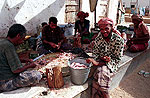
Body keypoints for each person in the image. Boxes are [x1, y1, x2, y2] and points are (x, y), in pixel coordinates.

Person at [86, 18, 124, 98]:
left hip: (112, 64)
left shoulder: (118, 40)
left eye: (106, 28)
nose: (104, 31)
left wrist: (105, 61)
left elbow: (117, 58)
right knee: (98, 74)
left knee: (101, 72)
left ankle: (104, 96)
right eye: (101, 29)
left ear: (112, 27)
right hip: (100, 61)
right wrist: (99, 59)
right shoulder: (98, 39)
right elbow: (95, 53)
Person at [0, 24, 42, 92]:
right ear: (18, 36)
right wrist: (30, 65)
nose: (22, 41)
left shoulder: (2, 42)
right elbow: (16, 70)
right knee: (36, 75)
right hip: (5, 83)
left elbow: (7, 59)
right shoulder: (9, 46)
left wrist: (24, 60)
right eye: (22, 39)